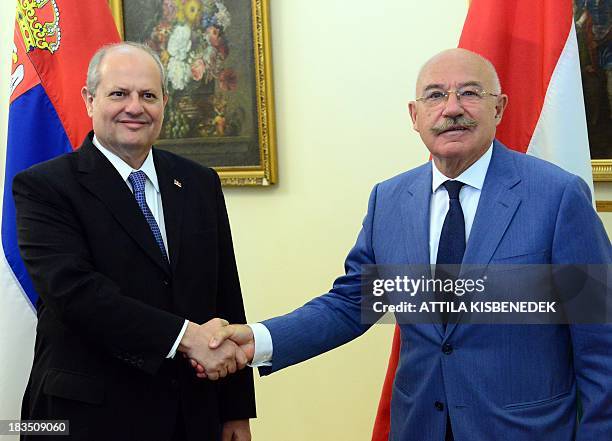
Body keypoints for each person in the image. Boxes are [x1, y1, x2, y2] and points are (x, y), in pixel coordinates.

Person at [206, 48, 612, 440]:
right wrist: (258, 340)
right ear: (415, 116)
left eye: (470, 93)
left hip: (524, 430)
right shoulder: (391, 200)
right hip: (421, 425)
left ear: (499, 108)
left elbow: (601, 342)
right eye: (435, 95)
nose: (452, 107)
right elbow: (352, 303)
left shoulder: (557, 196)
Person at [13, 42, 255, 441]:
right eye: (118, 94)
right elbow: (77, 294)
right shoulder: (45, 187)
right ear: (89, 100)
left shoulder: (199, 183)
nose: (135, 107)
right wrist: (186, 337)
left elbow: (225, 295)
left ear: (164, 104)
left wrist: (235, 410)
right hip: (88, 419)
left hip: (190, 416)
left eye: (148, 96)